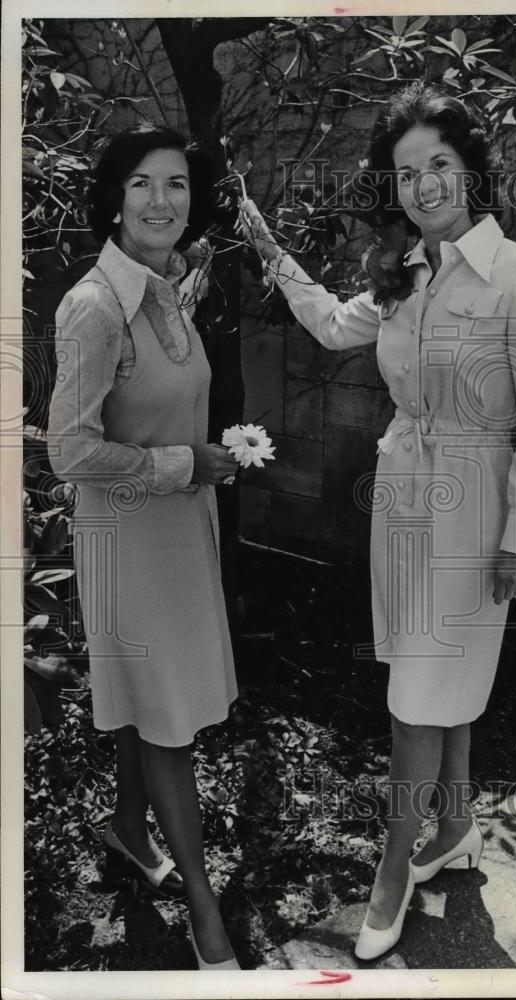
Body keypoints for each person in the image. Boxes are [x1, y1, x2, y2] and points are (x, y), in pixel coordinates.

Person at [239, 81, 516, 961]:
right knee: (433, 679)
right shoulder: (405, 274)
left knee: (418, 695)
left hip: (476, 506)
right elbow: (330, 326)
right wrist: (268, 249)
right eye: (407, 173)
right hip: (404, 498)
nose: (423, 187)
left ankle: (391, 870)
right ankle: (454, 829)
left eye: (440, 166)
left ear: (471, 171)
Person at [47, 123, 241, 970]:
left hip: (179, 529)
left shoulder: (169, 287)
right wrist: (180, 462)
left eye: (175, 185)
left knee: (146, 698)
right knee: (169, 721)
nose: (161, 201)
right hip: (127, 535)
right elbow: (67, 448)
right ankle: (204, 907)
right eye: (141, 184)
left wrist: (206, 461)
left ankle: (130, 829)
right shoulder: (93, 306)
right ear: (114, 199)